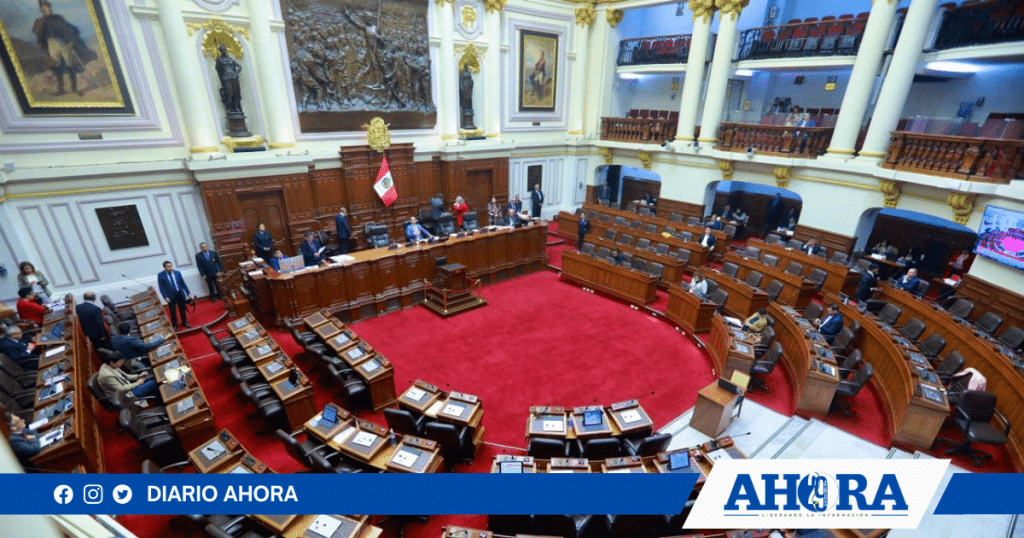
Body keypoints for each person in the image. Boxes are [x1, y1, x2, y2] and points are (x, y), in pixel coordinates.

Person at [33, 0, 96, 97]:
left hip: (64, 45)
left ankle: (74, 89)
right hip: (52, 46)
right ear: (42, 10)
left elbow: (70, 29)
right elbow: (40, 37)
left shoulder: (58, 18)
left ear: (50, 7)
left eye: (47, 7)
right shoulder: (42, 22)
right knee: (57, 68)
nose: (46, 9)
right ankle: (61, 90)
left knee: (70, 66)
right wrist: (46, 49)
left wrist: (71, 42)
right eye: (43, 8)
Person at [157, 260, 192, 329]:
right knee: (173, 311)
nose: (170, 268)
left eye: (171, 266)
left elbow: (183, 283)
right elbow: (161, 287)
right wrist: (165, 297)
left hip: (180, 294)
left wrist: (188, 293)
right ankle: (175, 325)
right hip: (170, 295)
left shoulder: (177, 273)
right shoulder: (161, 275)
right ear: (164, 267)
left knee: (182, 309)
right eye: (168, 267)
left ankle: (184, 322)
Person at [216, 44, 243, 115]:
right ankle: (230, 108)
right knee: (229, 93)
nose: (224, 51)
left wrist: (236, 73)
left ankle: (236, 107)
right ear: (221, 51)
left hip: (234, 77)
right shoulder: (219, 60)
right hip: (226, 78)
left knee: (236, 93)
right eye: (223, 50)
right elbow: (218, 70)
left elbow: (239, 66)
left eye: (225, 50)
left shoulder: (230, 59)